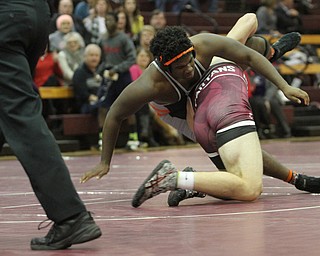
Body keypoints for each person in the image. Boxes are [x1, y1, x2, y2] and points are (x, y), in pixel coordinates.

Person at [79, 13, 319, 206]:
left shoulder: (202, 44)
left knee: (247, 34)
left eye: (189, 62)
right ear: (166, 67)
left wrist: (284, 86)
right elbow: (114, 115)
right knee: (234, 176)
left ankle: (273, 52)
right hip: (181, 112)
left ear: (192, 50)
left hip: (208, 90)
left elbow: (248, 55)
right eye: (181, 68)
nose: (188, 71)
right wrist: (104, 161)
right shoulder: (150, 84)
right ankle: (190, 182)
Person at [0, 0, 101, 250]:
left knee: (20, 113)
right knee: (9, 109)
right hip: (35, 14)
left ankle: (70, 216)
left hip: (7, 17)